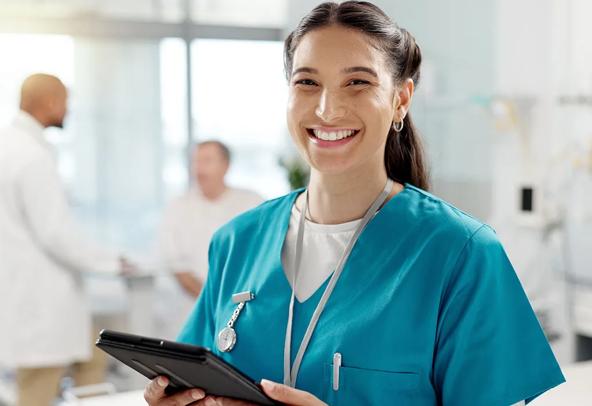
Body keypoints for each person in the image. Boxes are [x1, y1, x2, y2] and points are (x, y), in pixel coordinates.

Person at [144, 2, 565, 405]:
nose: (328, 109)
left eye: (357, 82)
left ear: (401, 99)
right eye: (307, 82)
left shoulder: (461, 253)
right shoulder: (237, 242)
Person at [0, 73, 131, 406]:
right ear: (50, 102)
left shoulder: (11, 146)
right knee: (37, 389)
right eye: (65, 102)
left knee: (93, 357)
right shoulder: (31, 156)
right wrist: (111, 262)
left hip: (29, 297)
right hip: (40, 303)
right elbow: (55, 233)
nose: (67, 110)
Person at [156, 141, 263, 339]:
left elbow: (262, 258)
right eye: (196, 161)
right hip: (189, 313)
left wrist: (232, 304)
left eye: (207, 161)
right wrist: (215, 302)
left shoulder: (252, 204)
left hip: (242, 311)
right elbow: (178, 267)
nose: (199, 169)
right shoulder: (178, 208)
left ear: (226, 165)